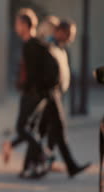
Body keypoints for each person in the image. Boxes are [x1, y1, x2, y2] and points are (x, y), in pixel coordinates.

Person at [39, 20, 90, 178]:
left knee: (48, 131)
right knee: (54, 129)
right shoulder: (49, 46)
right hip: (50, 94)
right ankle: (61, 164)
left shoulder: (59, 47)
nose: (71, 38)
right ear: (60, 31)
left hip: (56, 93)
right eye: (69, 34)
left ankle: (43, 162)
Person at [3, 8, 49, 178]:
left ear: (25, 25)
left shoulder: (31, 45)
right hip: (37, 93)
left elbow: (31, 73)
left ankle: (44, 154)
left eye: (18, 23)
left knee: (22, 128)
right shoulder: (36, 44)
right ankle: (30, 166)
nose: (16, 27)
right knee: (29, 129)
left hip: (31, 93)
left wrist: (25, 87)